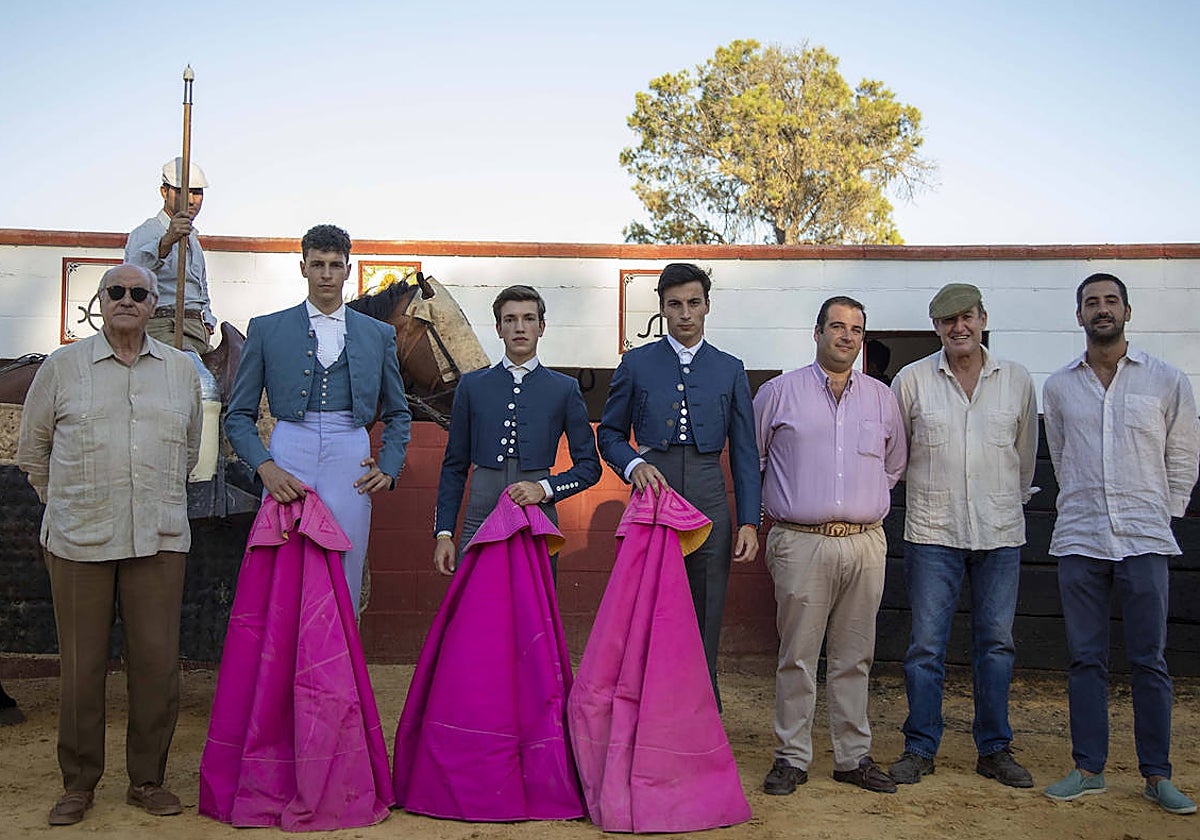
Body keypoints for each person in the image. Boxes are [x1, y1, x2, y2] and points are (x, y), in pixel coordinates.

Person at [17, 264, 202, 825]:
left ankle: (147, 780)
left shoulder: (180, 372)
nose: (127, 300)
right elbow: (33, 452)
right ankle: (79, 783)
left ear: (153, 305)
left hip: (159, 538)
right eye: (115, 292)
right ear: (100, 302)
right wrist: (71, 504)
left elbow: (190, 452)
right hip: (78, 540)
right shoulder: (62, 367)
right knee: (81, 666)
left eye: (138, 293)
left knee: (157, 664)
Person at [1042, 273, 1200, 815]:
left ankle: (1157, 775)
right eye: (1091, 302)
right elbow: (1061, 459)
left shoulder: (1167, 380)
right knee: (1086, 660)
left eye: (1111, 301)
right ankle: (1089, 769)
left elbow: (1183, 456)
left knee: (1150, 661)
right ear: (1079, 315)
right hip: (1081, 537)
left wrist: (1163, 514)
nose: (1101, 309)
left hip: (1144, 539)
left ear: (1127, 312)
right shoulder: (1059, 386)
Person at [754, 296, 906, 796]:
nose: (846, 336)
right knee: (797, 656)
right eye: (837, 327)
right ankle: (792, 757)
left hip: (864, 543)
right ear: (816, 332)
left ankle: (852, 756)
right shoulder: (778, 393)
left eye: (856, 329)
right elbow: (752, 459)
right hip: (801, 541)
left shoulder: (883, 398)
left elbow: (893, 464)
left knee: (855, 656)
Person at [888, 283, 1038, 788]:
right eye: (948, 320)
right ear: (936, 328)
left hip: (1000, 532)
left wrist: (1003, 504)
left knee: (996, 645)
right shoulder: (911, 381)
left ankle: (994, 749)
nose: (959, 327)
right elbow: (897, 456)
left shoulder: (1016, 380)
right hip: (932, 530)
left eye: (967, 317)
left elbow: (1024, 457)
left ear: (982, 318)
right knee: (926, 647)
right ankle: (920, 747)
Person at [598, 262, 760, 707]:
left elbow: (746, 452)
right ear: (662, 310)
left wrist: (749, 521)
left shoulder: (730, 368)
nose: (685, 313)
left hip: (709, 495)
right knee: (648, 607)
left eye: (693, 303)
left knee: (706, 611)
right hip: (653, 495)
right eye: (675, 305)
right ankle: (645, 705)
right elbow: (608, 435)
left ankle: (701, 706)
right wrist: (633, 466)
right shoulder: (636, 363)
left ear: (707, 306)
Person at [226, 224, 411, 612]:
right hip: (290, 445)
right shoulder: (266, 329)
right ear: (303, 268)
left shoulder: (377, 334)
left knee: (346, 560)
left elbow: (398, 412)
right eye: (318, 264)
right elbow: (238, 415)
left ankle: (337, 669)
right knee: (284, 563)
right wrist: (266, 468)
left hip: (350, 450)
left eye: (334, 265)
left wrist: (391, 466)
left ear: (347, 269)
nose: (326, 273)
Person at [433, 285, 599, 575]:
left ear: (542, 326)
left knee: (533, 611)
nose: (519, 327)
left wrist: (544, 489)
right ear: (498, 328)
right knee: (476, 609)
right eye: (510, 319)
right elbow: (454, 466)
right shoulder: (473, 386)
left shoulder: (564, 388)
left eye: (528, 318)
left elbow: (589, 468)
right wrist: (444, 533)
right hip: (480, 514)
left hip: (537, 515)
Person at [125, 158, 216, 357]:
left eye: (197, 192)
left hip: (196, 331)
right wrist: (167, 242)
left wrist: (208, 321)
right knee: (200, 382)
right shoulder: (146, 232)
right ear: (164, 192)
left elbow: (201, 286)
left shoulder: (193, 238)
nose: (191, 200)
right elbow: (130, 277)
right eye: (183, 191)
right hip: (163, 327)